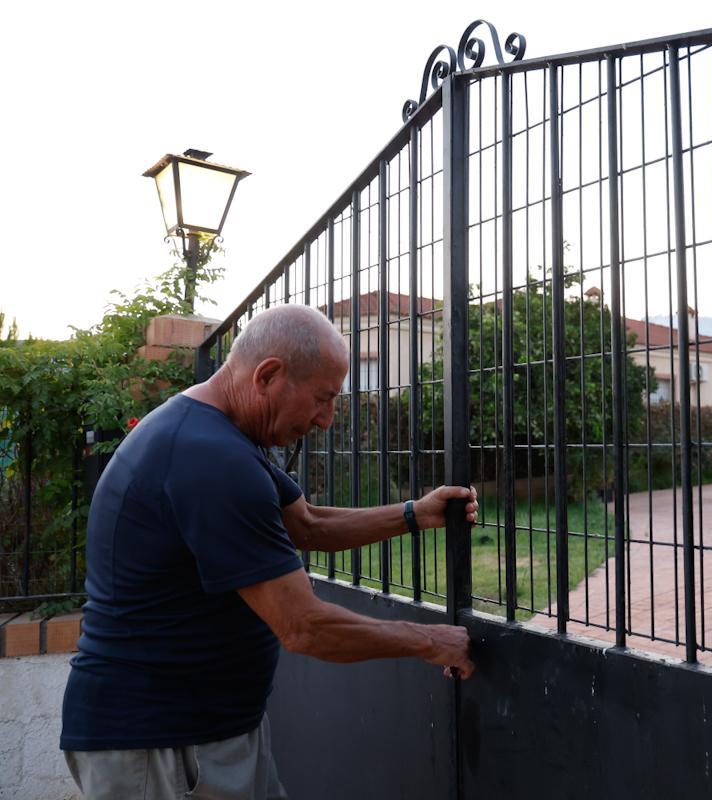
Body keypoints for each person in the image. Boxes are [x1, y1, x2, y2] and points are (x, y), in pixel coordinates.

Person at [60, 304, 476, 799]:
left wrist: (414, 513)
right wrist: (430, 641)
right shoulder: (209, 459)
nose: (326, 420)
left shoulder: (219, 434)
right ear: (269, 375)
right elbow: (303, 627)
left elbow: (307, 522)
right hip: (158, 742)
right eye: (322, 399)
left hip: (209, 730)